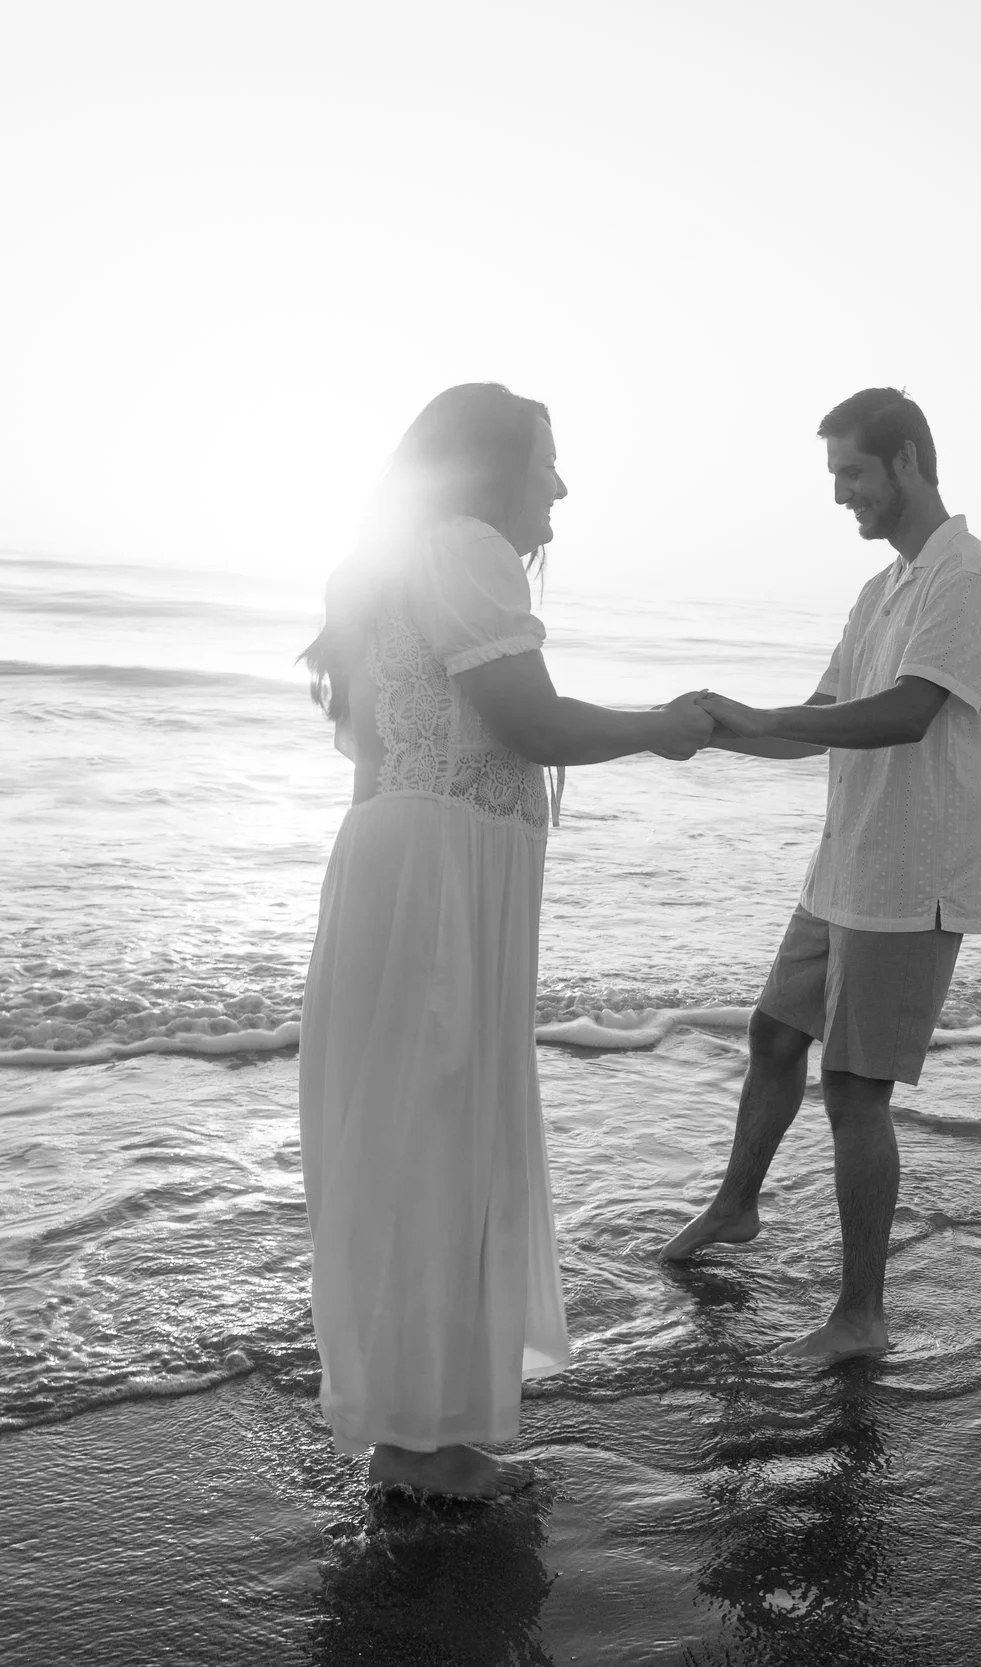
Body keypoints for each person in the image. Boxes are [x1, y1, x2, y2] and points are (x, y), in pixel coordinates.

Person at [298, 383, 713, 1498]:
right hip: (443, 874)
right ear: (491, 467)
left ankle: (416, 1433)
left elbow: (374, 756)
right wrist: (665, 727)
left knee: (409, 1140)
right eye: (546, 459)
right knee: (439, 1139)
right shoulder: (468, 547)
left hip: (393, 865)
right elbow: (528, 721)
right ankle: (420, 1450)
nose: (561, 485)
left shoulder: (390, 563)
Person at [662, 388, 981, 1363]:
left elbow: (905, 713)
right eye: (834, 475)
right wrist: (713, 730)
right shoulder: (880, 589)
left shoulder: (966, 577)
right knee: (775, 1033)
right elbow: (819, 717)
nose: (839, 494)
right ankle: (737, 1205)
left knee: (856, 1092)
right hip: (845, 866)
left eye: (852, 472)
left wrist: (767, 718)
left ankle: (862, 1314)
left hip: (912, 877)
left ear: (906, 461)